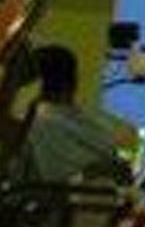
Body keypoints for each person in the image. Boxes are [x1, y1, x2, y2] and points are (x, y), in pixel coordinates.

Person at [19, 43, 134, 188]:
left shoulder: (36, 125)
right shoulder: (99, 125)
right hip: (91, 200)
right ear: (75, 80)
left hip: (73, 199)